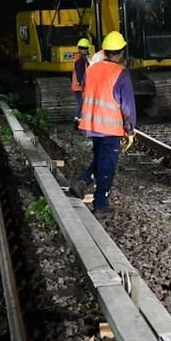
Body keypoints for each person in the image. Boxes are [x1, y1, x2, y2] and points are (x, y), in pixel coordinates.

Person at [73, 31, 136, 215]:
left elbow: (86, 89)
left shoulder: (92, 68)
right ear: (121, 52)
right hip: (110, 128)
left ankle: (83, 180)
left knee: (100, 158)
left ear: (105, 50)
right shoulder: (121, 73)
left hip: (92, 125)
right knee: (107, 165)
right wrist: (130, 130)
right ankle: (100, 205)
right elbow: (127, 107)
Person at [71, 37, 92, 123]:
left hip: (77, 85)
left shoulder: (79, 58)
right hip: (79, 86)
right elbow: (80, 73)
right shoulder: (80, 60)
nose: (85, 50)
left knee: (80, 102)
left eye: (85, 48)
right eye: (84, 49)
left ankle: (78, 118)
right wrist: (82, 83)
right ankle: (78, 118)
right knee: (80, 102)